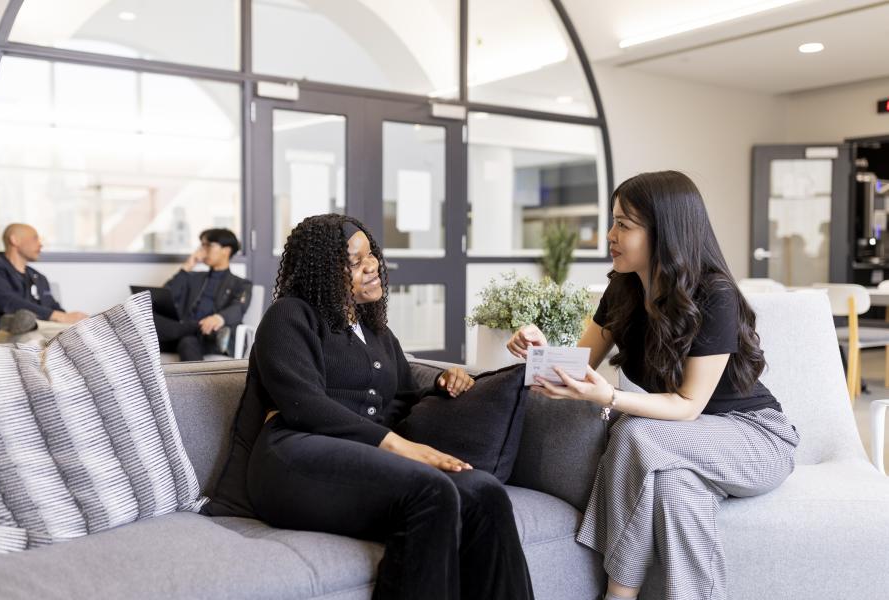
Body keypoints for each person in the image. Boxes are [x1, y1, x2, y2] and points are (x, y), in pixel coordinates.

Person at [206, 214, 533, 600]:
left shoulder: (377, 331)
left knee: (484, 490)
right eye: (355, 262)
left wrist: (445, 386)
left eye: (371, 254)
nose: (372, 265)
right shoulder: (290, 316)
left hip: (360, 458)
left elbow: (404, 401)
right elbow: (305, 406)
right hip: (290, 458)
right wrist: (398, 445)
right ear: (324, 272)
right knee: (430, 490)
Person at [506, 171, 799, 600]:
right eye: (613, 222)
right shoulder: (622, 289)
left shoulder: (715, 296)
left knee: (633, 429)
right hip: (678, 444)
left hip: (754, 438)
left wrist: (609, 397)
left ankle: (617, 597)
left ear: (664, 232)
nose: (610, 235)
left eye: (624, 225)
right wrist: (540, 350)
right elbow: (579, 365)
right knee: (675, 489)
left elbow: (688, 405)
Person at [153, 228, 252, 361]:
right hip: (181, 333)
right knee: (144, 316)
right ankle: (191, 327)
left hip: (210, 336)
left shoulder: (241, 284)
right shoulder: (193, 278)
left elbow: (238, 308)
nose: (202, 250)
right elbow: (164, 298)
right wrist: (188, 266)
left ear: (226, 250)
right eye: (202, 245)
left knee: (187, 342)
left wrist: (219, 318)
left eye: (208, 245)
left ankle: (190, 328)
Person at [0, 223, 87, 342]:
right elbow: (7, 301)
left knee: (80, 333)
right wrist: (57, 316)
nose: (41, 244)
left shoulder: (39, 278)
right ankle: (24, 323)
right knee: (31, 338)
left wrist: (68, 318)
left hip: (41, 327)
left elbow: (53, 306)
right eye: (35, 238)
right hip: (1, 330)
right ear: (14, 240)